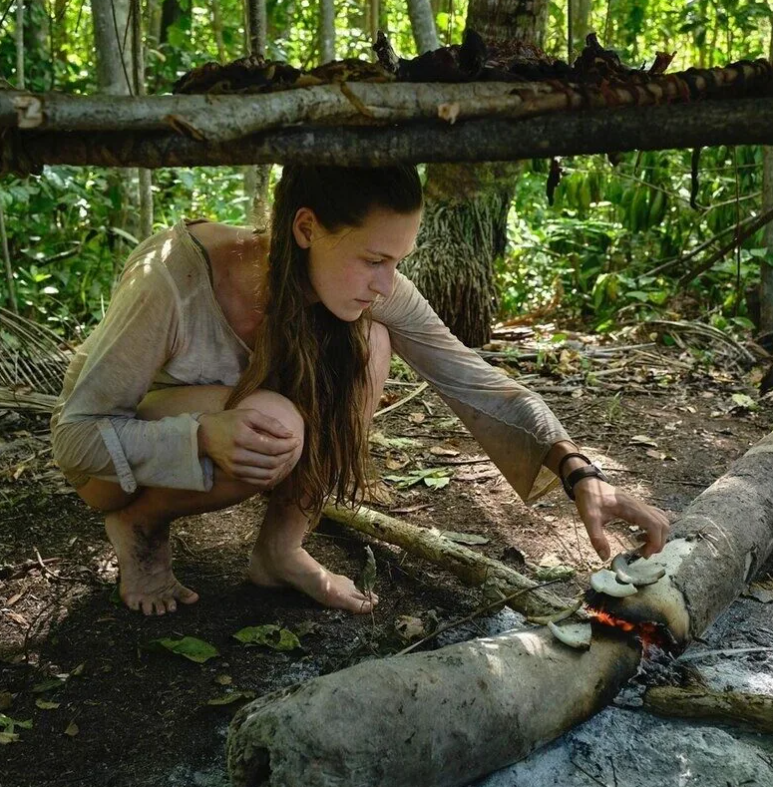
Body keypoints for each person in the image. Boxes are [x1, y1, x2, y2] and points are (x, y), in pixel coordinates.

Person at [50, 164, 669, 617]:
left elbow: (479, 384)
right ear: (306, 227)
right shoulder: (175, 280)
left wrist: (579, 472)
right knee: (273, 421)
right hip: (119, 464)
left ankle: (279, 551)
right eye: (374, 258)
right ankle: (142, 528)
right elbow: (74, 440)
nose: (385, 282)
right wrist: (202, 435)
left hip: (223, 431)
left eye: (398, 260)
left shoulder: (376, 290)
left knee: (369, 343)